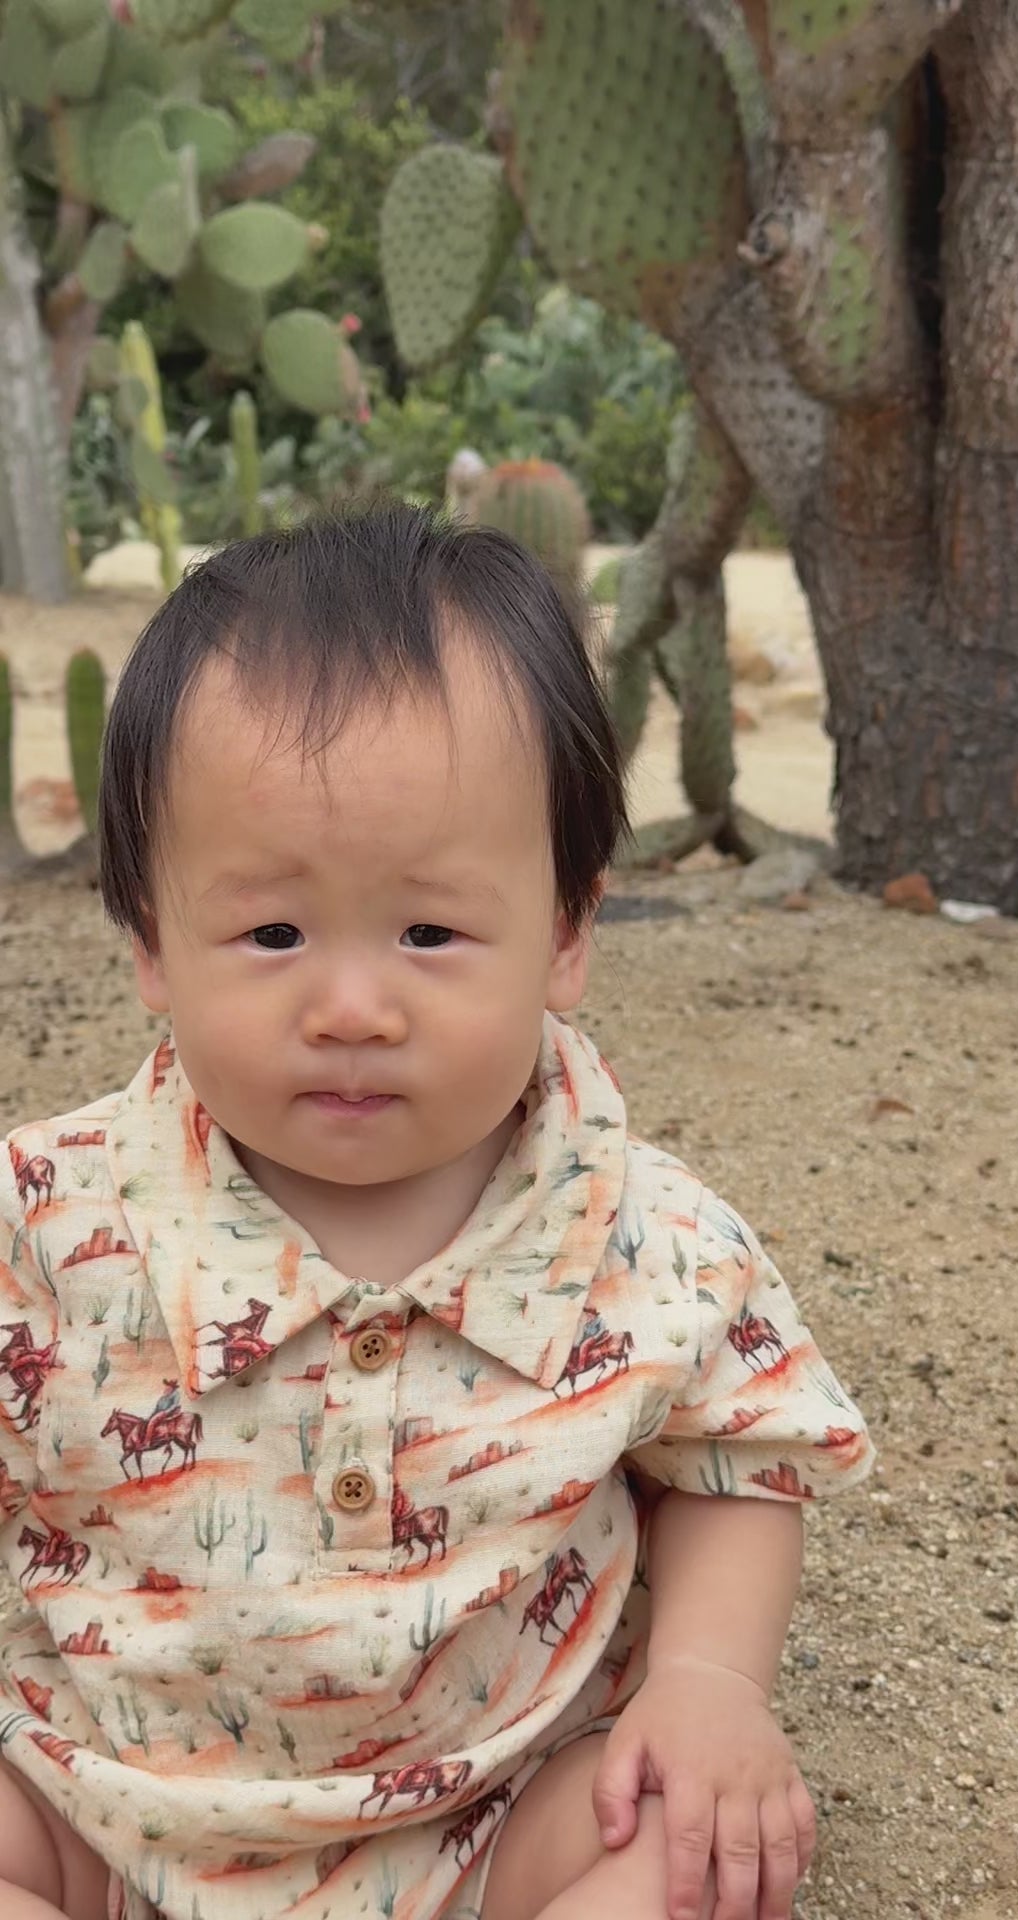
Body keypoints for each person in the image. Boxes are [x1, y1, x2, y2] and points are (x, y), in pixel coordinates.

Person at [0, 506, 874, 1920]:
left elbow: (741, 1462)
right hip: (97, 1804)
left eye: (430, 931)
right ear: (151, 941)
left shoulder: (646, 1238)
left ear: (568, 931)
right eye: (272, 933)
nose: (354, 1007)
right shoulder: (47, 1222)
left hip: (499, 1815)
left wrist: (711, 1681)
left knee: (700, 1854)